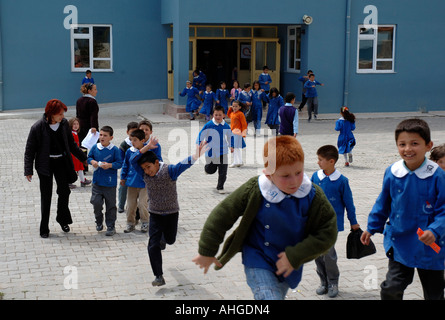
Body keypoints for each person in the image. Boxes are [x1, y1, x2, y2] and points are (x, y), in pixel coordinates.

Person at [192, 136, 338, 300]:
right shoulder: (255, 189)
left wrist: (296, 255)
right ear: (268, 175)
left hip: (288, 265)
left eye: (298, 172)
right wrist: (207, 250)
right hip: (257, 258)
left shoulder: (312, 194)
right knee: (269, 296)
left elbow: (328, 231)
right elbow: (221, 216)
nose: (294, 181)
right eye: (285, 176)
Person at [360, 119, 445, 300]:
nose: (408, 149)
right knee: (391, 289)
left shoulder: (437, 175)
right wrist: (371, 227)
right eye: (402, 144)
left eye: (415, 143)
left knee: (435, 294)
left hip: (430, 246)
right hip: (400, 243)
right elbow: (383, 202)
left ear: (428, 145)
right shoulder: (392, 172)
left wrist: (435, 230)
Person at [131, 139, 208, 287]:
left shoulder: (169, 171)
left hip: (171, 212)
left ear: (156, 163)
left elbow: (183, 165)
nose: (147, 171)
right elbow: (133, 161)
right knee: (152, 245)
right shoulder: (144, 175)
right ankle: (158, 276)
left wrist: (195, 156)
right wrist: (146, 147)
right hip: (155, 213)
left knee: (170, 239)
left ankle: (163, 240)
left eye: (149, 167)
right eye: (145, 169)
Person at [24, 99, 87, 238]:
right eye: (59, 114)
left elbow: (71, 145)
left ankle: (62, 219)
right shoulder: (38, 127)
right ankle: (44, 227)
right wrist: (28, 170)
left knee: (64, 192)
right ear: (51, 114)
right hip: (45, 164)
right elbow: (30, 150)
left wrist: (83, 158)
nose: (62, 117)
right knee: (46, 196)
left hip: (61, 163)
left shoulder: (64, 124)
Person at [311, 145, 360, 298]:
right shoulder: (315, 177)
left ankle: (333, 281)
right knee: (317, 254)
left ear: (331, 161)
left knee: (328, 254)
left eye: (320, 160)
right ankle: (323, 281)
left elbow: (349, 203)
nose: (318, 162)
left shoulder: (341, 181)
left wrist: (354, 222)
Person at [87, 126, 123, 236]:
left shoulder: (115, 150)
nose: (102, 137)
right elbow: (88, 158)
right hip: (97, 182)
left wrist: (110, 165)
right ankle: (98, 221)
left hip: (110, 184)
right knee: (96, 203)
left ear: (111, 137)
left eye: (105, 135)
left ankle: (111, 226)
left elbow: (120, 163)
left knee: (111, 205)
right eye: (101, 135)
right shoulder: (95, 147)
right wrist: (92, 161)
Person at [196, 105, 234, 194]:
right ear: (213, 114)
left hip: (223, 151)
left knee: (223, 171)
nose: (218, 117)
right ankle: (207, 169)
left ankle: (220, 187)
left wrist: (231, 146)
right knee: (211, 170)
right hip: (211, 152)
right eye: (216, 115)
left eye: (220, 115)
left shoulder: (225, 125)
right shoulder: (209, 124)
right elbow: (201, 134)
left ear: (224, 115)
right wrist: (200, 142)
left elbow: (230, 136)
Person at [120, 129, 149, 233]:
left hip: (144, 183)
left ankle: (145, 222)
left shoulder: (147, 151)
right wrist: (123, 177)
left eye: (135, 140)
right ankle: (130, 223)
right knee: (131, 205)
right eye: (131, 140)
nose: (133, 142)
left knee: (142, 204)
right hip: (131, 182)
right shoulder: (129, 151)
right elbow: (125, 165)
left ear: (142, 140)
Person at [118, 121, 139, 213]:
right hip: (126, 170)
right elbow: (121, 159)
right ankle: (121, 205)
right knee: (123, 188)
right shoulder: (124, 144)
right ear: (127, 132)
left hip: (137, 171)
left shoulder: (139, 143)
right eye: (131, 133)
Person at [68, 117, 91, 188]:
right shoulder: (72, 134)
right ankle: (69, 182)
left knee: (80, 167)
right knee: (73, 168)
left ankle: (82, 180)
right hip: (73, 155)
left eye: (77, 124)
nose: (76, 125)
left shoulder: (75, 133)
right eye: (74, 124)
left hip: (76, 154)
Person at [227, 101, 247, 168]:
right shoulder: (232, 113)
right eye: (233, 106)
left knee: (234, 148)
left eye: (236, 106)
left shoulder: (240, 114)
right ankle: (240, 161)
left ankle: (235, 162)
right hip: (232, 132)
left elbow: (244, 124)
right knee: (237, 148)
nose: (234, 107)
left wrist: (244, 133)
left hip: (238, 133)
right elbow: (228, 115)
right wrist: (230, 109)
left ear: (240, 107)